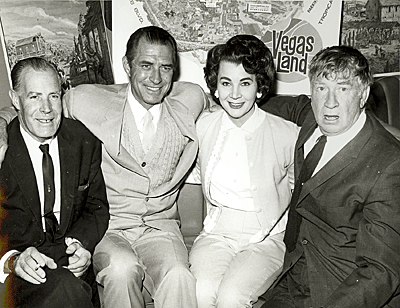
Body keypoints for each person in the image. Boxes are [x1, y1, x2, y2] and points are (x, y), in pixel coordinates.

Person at [0, 26, 210, 308]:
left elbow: (234, 102)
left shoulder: (190, 98)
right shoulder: (87, 100)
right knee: (121, 270)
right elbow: (37, 106)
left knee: (180, 276)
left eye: (166, 68)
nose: (156, 78)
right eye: (146, 65)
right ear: (127, 65)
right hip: (112, 229)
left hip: (161, 228)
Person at [261, 45, 400, 308]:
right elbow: (289, 105)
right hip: (294, 276)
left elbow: (381, 271)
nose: (330, 102)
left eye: (343, 89)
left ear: (363, 94)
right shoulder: (313, 119)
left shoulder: (391, 164)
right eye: (322, 88)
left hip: (343, 291)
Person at [187, 34, 299, 308]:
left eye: (245, 83)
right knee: (201, 293)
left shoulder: (288, 135)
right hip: (217, 233)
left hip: (265, 237)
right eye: (226, 83)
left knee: (231, 298)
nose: (234, 95)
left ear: (259, 88)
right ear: (215, 87)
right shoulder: (204, 127)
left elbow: (298, 190)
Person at [0, 57, 109, 307]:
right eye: (34, 97)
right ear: (16, 100)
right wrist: (11, 260)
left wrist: (82, 245)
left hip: (71, 269)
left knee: (68, 287)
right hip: (18, 274)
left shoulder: (83, 141)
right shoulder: (3, 149)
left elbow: (96, 207)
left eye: (54, 96)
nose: (47, 108)